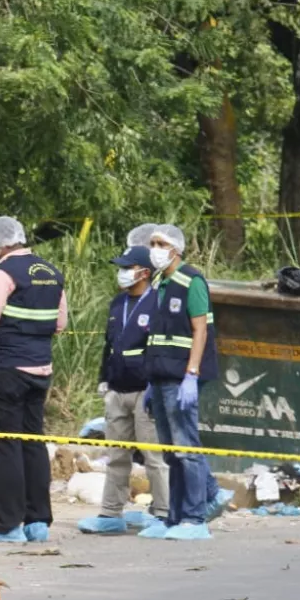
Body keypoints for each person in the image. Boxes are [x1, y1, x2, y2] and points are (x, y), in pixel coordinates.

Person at [0, 216, 67, 543]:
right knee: (32, 443)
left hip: (4, 369)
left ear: (0, 246)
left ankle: (7, 524)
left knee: (5, 445)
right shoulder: (51, 273)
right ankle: (38, 522)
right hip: (39, 370)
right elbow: (60, 323)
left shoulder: (1, 274)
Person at [138, 225, 232, 540]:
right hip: (161, 373)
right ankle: (173, 516)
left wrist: (191, 374)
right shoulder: (158, 281)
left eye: (160, 243)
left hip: (182, 375)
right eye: (152, 243)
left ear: (175, 248)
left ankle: (194, 516)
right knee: (170, 449)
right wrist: (150, 380)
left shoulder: (191, 281)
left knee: (186, 446)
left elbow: (200, 330)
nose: (155, 248)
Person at [77, 245, 170, 534]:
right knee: (117, 456)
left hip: (145, 390)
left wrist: (157, 384)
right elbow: (109, 344)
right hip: (116, 391)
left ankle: (163, 513)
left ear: (143, 272)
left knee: (154, 457)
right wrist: (104, 378)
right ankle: (110, 513)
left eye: (127, 267)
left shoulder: (158, 303)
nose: (122, 273)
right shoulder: (118, 304)